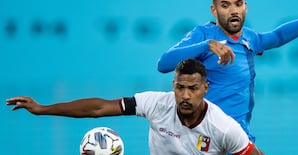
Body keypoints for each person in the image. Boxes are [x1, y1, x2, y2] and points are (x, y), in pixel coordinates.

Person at [157, 0, 298, 142]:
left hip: (240, 134)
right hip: (209, 135)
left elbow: (278, 36)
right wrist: (205, 46)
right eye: (225, 6)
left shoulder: (250, 38)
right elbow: (164, 64)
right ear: (214, 10)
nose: (233, 10)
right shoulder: (203, 35)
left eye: (238, 4)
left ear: (245, 6)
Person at [6, 59, 264, 155]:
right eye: (179, 87)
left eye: (193, 89)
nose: (185, 95)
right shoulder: (156, 103)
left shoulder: (222, 127)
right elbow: (98, 108)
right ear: (173, 85)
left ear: (205, 88)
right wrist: (43, 109)